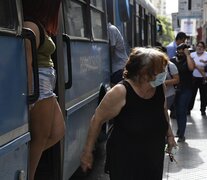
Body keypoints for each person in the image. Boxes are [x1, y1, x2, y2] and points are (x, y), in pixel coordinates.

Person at [81, 47, 176, 180]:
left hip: (154, 156)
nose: (163, 73)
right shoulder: (120, 92)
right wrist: (88, 151)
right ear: (144, 72)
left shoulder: (160, 88)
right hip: (126, 160)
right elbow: (97, 119)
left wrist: (170, 135)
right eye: (160, 70)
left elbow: (163, 110)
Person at [22, 1, 65, 180]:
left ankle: (24, 165)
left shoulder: (37, 25)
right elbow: (28, 64)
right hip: (40, 87)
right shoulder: (30, 25)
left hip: (46, 86)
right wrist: (31, 98)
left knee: (58, 130)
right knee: (40, 139)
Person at [171, 43, 195, 142]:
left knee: (182, 110)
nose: (180, 52)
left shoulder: (189, 59)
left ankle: (181, 134)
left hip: (187, 89)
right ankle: (180, 131)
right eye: (179, 50)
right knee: (177, 112)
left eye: (183, 50)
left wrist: (188, 55)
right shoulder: (172, 60)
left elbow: (191, 68)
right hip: (175, 89)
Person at [188, 41, 207, 116]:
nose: (199, 48)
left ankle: (203, 110)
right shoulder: (192, 55)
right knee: (192, 94)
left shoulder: (206, 55)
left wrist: (199, 67)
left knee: (204, 95)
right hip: (194, 78)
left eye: (201, 46)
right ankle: (189, 109)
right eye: (198, 46)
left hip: (204, 78)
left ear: (204, 48)